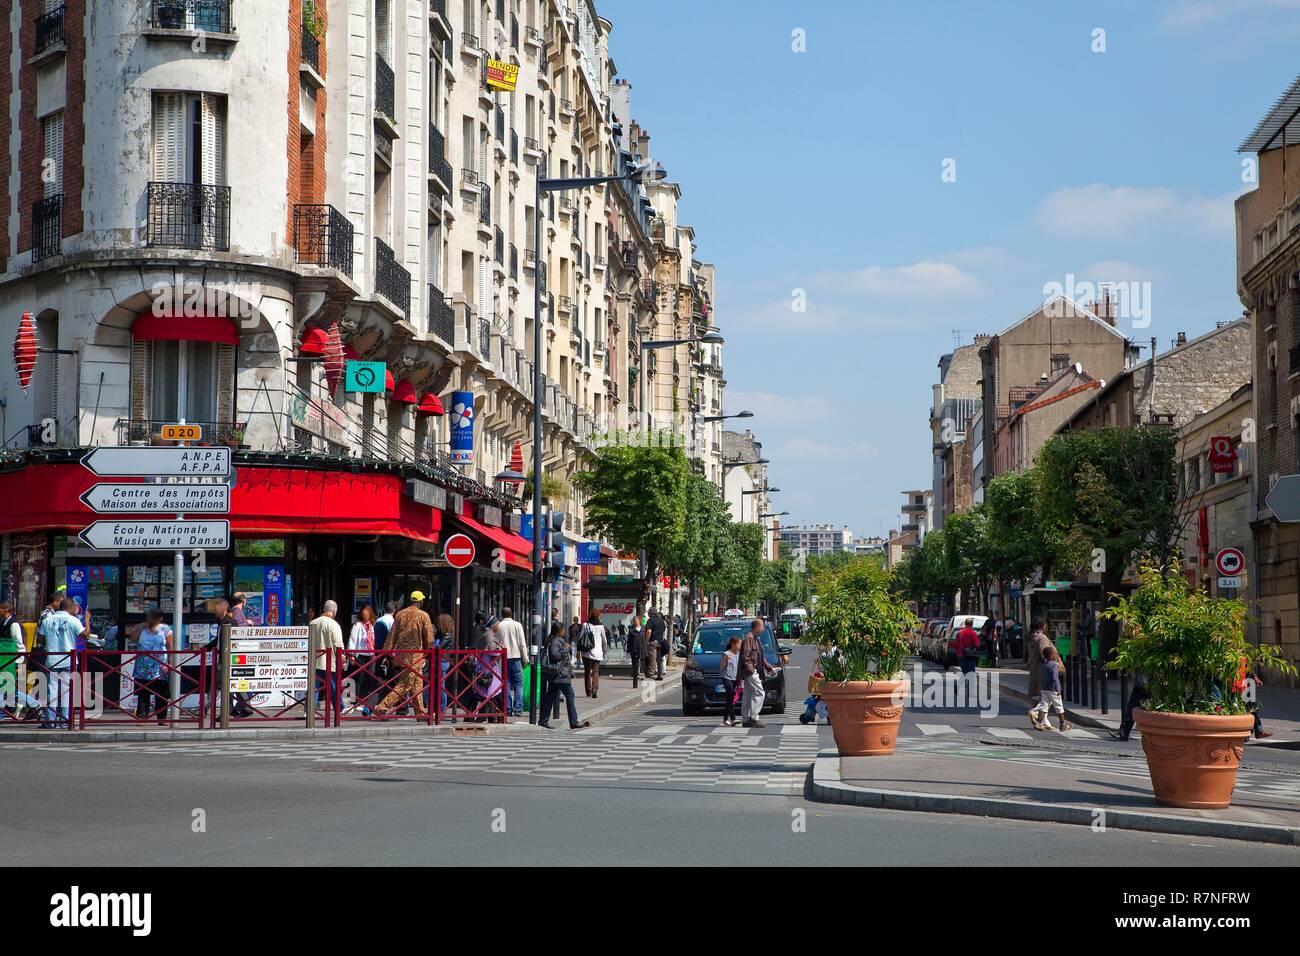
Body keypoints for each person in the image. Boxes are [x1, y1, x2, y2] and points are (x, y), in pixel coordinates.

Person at [374, 591, 434, 717]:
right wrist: (430, 652)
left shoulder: (400, 614)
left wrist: (387, 652)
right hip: (415, 656)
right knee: (405, 684)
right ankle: (382, 707)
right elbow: (429, 638)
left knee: (417, 684)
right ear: (420, 601)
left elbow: (392, 635)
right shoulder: (424, 616)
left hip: (401, 656)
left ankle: (420, 713)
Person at [36, 597, 87, 728]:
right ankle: (65, 721)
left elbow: (40, 639)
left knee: (51, 690)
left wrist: (52, 642)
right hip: (68, 659)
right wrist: (87, 619)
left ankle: (50, 721)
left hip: (52, 659)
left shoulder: (47, 619)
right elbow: (85, 635)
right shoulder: (73, 620)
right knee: (66, 690)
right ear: (70, 608)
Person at [537, 621, 591, 730]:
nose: (565, 632)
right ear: (559, 631)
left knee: (550, 696)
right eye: (563, 630)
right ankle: (573, 721)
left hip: (557, 674)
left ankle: (543, 720)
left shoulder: (553, 640)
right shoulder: (556, 641)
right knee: (570, 695)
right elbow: (555, 656)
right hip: (560, 675)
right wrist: (566, 648)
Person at [0, 600, 39, 720]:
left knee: (9, 688)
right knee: (8, 689)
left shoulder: (14, 624)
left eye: (1, 608)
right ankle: (34, 705)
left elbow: (19, 644)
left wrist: (18, 661)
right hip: (6, 660)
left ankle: (35, 705)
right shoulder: (4, 623)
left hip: (13, 661)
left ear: (7, 610)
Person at [133, 609, 172, 724]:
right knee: (143, 692)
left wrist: (170, 663)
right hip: (143, 665)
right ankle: (142, 717)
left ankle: (161, 718)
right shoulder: (142, 628)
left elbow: (171, 646)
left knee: (161, 693)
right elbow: (133, 639)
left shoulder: (166, 629)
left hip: (159, 665)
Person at [309, 601, 344, 714]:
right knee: (333, 686)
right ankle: (340, 708)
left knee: (313, 688)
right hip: (329, 661)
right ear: (334, 611)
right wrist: (342, 658)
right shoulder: (334, 624)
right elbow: (337, 644)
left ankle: (309, 710)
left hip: (314, 660)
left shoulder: (313, 622)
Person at [739, 617, 774, 728]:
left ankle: (745, 719)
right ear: (757, 627)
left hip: (749, 671)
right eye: (762, 626)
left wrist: (768, 667)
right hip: (749, 671)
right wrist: (752, 671)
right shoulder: (749, 638)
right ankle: (753, 718)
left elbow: (759, 656)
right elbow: (746, 657)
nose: (763, 629)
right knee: (760, 693)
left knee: (748, 695)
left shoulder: (754, 638)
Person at [1029, 645, 1071, 732]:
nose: (1056, 655)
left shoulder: (1044, 665)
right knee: (1059, 706)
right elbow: (1055, 678)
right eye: (1055, 654)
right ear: (1051, 655)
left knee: (1043, 706)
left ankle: (1040, 723)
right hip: (1053, 690)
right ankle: (1062, 723)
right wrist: (1058, 688)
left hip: (1044, 689)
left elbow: (1042, 677)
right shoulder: (1054, 665)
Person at [497, 607, 529, 717]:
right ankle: (518, 708)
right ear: (512, 614)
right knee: (518, 684)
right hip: (516, 657)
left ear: (502, 614)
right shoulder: (517, 625)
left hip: (503, 657)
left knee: (506, 682)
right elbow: (522, 643)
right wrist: (525, 659)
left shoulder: (499, 626)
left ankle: (507, 708)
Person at [348, 603, 378, 714]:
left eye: (367, 614)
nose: (366, 616)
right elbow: (352, 639)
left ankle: (366, 700)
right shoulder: (358, 625)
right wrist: (351, 654)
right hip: (360, 654)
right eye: (364, 614)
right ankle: (357, 701)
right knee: (359, 679)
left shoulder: (372, 625)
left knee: (370, 678)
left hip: (370, 655)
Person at [578, 608, 607, 699]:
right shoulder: (601, 627)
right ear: (598, 616)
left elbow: (581, 637)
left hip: (586, 651)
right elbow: (604, 640)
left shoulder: (585, 625)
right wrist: (604, 649)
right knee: (596, 671)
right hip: (597, 652)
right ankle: (595, 689)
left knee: (587, 672)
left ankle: (588, 691)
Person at [1025, 618, 1053, 699]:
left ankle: (1038, 709)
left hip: (1034, 666)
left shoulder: (1032, 636)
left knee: (1040, 691)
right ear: (1043, 626)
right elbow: (1043, 652)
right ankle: (1037, 710)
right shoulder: (1042, 638)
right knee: (1044, 690)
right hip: (1041, 667)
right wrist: (1050, 664)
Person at [719, 635, 742, 727]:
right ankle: (733, 718)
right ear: (733, 644)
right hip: (727, 677)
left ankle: (725, 719)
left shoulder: (739, 654)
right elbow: (722, 667)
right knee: (731, 695)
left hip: (735, 678)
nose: (740, 646)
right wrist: (725, 660)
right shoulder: (727, 653)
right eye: (739, 644)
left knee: (730, 699)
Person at [648, 609, 668, 680]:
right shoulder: (661, 621)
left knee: (652, 658)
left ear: (651, 613)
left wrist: (647, 640)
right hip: (660, 641)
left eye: (648, 613)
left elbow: (649, 631)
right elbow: (663, 630)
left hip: (653, 641)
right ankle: (660, 674)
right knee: (659, 659)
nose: (648, 614)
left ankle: (651, 674)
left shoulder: (650, 620)